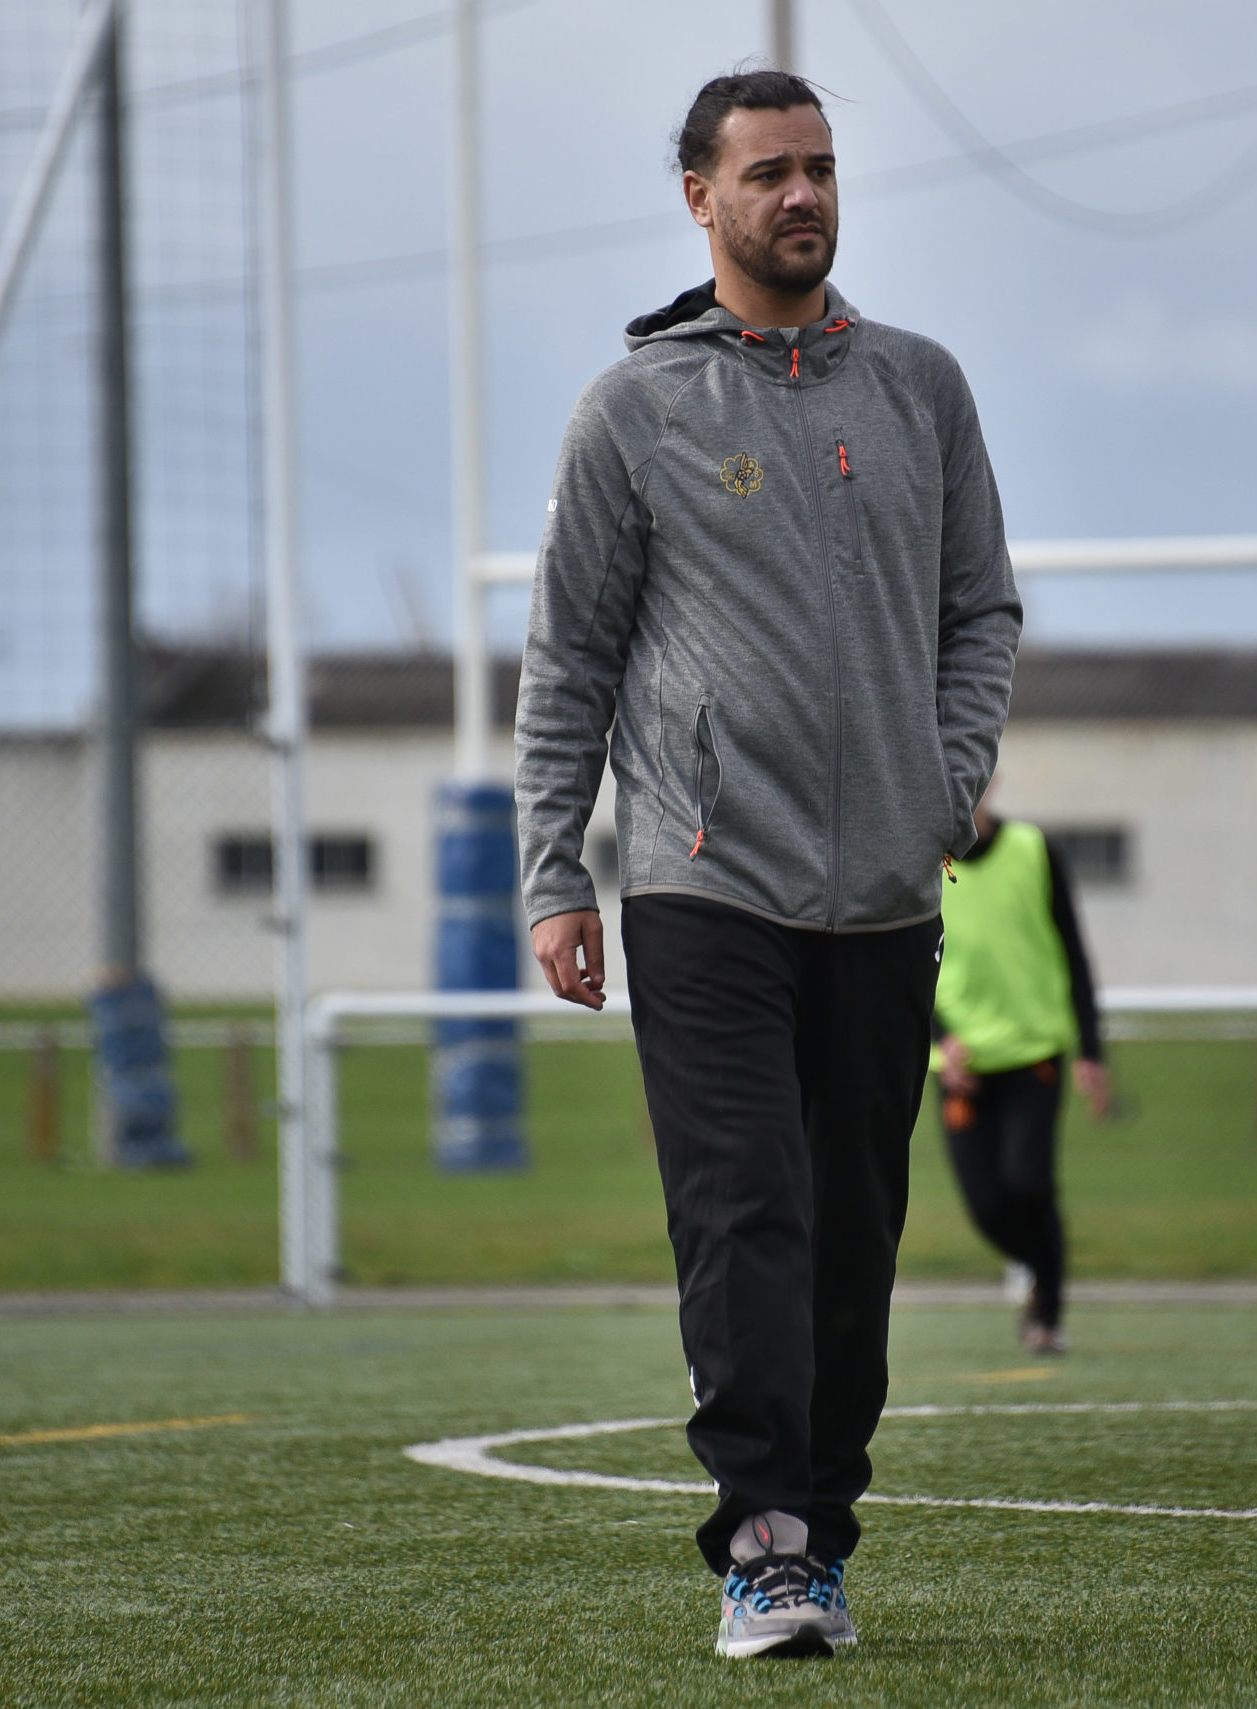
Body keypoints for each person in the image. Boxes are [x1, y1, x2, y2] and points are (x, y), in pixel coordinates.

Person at [511, 69, 1021, 1660]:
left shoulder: (922, 388)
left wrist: (945, 786)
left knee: (853, 1239)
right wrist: (554, 872)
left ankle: (825, 1526)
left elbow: (980, 613)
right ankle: (767, 1548)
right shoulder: (637, 410)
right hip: (702, 881)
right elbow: (570, 659)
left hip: (885, 895)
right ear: (701, 199)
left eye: (820, 168)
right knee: (746, 1214)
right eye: (767, 173)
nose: (802, 195)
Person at [933, 791, 1110, 1354]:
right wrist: (939, 1039)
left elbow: (1073, 951)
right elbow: (903, 960)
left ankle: (1047, 1314)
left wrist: (1091, 1050)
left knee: (1029, 1182)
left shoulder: (1034, 850)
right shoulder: (923, 857)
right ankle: (1045, 1269)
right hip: (962, 1068)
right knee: (987, 1206)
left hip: (1033, 1054)